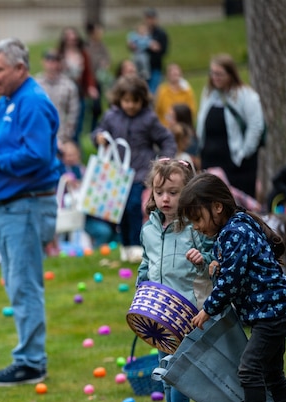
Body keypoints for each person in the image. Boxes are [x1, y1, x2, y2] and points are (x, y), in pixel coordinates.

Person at [179, 173, 286, 402]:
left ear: (217, 207)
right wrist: (218, 268)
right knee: (271, 373)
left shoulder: (235, 232)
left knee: (249, 369)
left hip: (272, 310)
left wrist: (207, 309)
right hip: (275, 309)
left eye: (198, 218)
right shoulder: (237, 228)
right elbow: (241, 269)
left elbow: (232, 280)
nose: (197, 227)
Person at [0, 38, 60, 387]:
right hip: (11, 206)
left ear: (20, 68)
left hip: (26, 204)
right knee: (18, 283)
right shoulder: (8, 101)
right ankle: (28, 356)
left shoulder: (32, 102)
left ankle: (31, 362)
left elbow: (38, 156)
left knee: (24, 285)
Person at [137, 159, 213, 402]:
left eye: (173, 192)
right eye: (159, 192)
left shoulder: (195, 227)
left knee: (176, 367)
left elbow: (214, 263)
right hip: (158, 311)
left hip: (188, 311)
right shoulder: (149, 230)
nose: (165, 198)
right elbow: (146, 264)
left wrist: (203, 261)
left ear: (188, 192)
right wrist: (140, 294)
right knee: (165, 369)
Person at [93, 75, 175, 263]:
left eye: (135, 101)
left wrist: (163, 161)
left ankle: (137, 247)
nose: (130, 105)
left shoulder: (148, 118)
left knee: (134, 208)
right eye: (126, 101)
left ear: (142, 100)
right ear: (119, 99)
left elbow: (166, 139)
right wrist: (99, 137)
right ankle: (125, 246)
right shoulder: (111, 116)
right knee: (119, 211)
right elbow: (98, 131)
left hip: (140, 172)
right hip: (116, 173)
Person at [197, 54, 265, 200]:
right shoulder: (209, 93)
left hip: (237, 165)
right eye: (213, 73)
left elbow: (256, 126)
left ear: (230, 74)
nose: (215, 77)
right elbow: (201, 120)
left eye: (219, 74)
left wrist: (243, 154)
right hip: (211, 161)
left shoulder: (246, 95)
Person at [35, 50, 79, 146]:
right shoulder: (35, 84)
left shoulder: (69, 86)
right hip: (39, 135)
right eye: (48, 61)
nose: (51, 65)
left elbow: (73, 113)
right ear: (43, 62)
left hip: (61, 135)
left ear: (59, 63)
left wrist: (66, 136)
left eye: (55, 61)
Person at [154, 63, 195, 131]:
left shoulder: (187, 91)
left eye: (176, 74)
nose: (175, 76)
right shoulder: (162, 90)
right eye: (172, 74)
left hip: (183, 128)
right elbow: (157, 110)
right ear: (168, 76)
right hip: (166, 128)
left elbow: (191, 111)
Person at [143, 8, 169, 93]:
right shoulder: (142, 32)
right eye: (148, 18)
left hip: (155, 67)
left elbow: (164, 50)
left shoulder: (161, 33)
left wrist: (156, 48)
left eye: (151, 18)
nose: (150, 21)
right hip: (142, 68)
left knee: (153, 91)